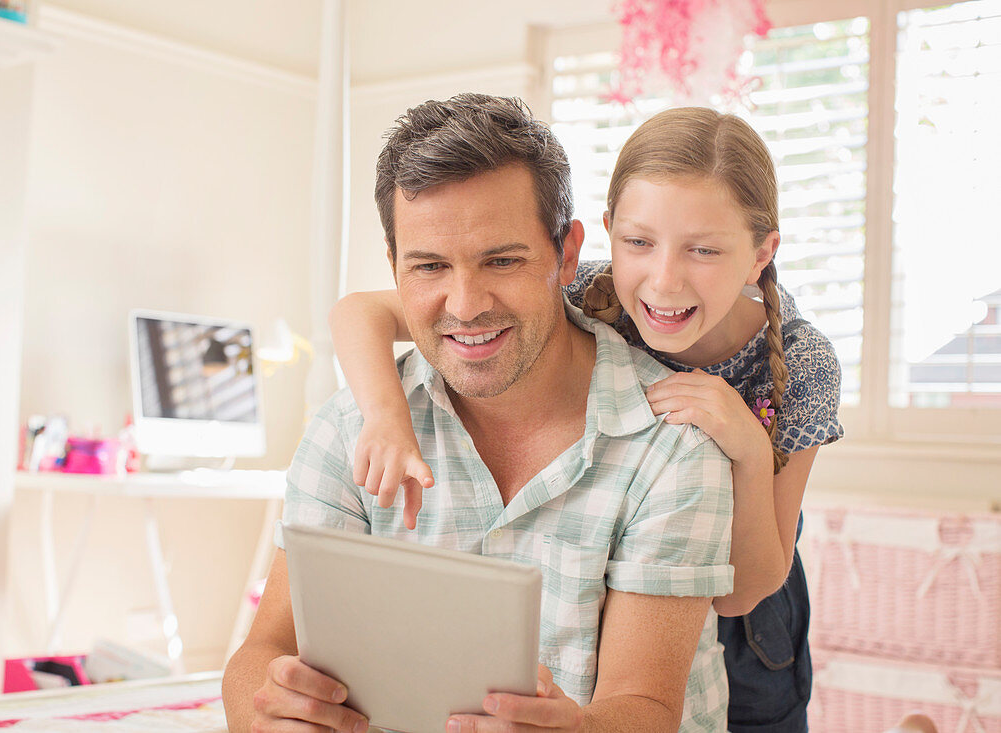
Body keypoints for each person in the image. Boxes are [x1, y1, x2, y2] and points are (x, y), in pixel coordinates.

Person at [222, 93, 735, 733]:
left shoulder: (672, 447)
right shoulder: (349, 426)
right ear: (394, 267)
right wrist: (266, 710)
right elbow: (260, 652)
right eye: (430, 266)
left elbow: (647, 709)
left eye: (502, 260)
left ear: (566, 253)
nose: (464, 305)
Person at [329, 106, 843, 732]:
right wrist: (385, 416)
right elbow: (361, 312)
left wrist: (749, 450)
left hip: (753, 610)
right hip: (636, 585)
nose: (663, 281)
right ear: (603, 234)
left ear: (763, 252)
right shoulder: (582, 291)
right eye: (638, 242)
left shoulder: (805, 361)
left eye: (703, 249)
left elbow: (745, 589)